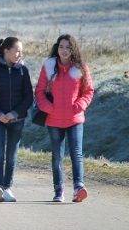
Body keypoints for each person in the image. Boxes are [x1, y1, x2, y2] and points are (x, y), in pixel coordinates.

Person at [35, 34, 94, 203]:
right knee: (57, 156)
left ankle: (78, 188)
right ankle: (59, 191)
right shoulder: (49, 65)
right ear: (57, 48)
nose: (64, 50)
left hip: (74, 118)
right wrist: (48, 108)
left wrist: (79, 106)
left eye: (68, 47)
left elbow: (89, 91)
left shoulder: (80, 68)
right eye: (61, 46)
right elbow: (39, 91)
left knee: (76, 154)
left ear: (73, 49)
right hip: (53, 120)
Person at [0, 37, 33, 202]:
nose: (20, 54)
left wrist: (15, 113)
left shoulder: (23, 70)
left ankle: (7, 187)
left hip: (17, 121)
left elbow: (28, 97)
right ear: (6, 51)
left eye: (21, 51)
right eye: (17, 50)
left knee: (11, 156)